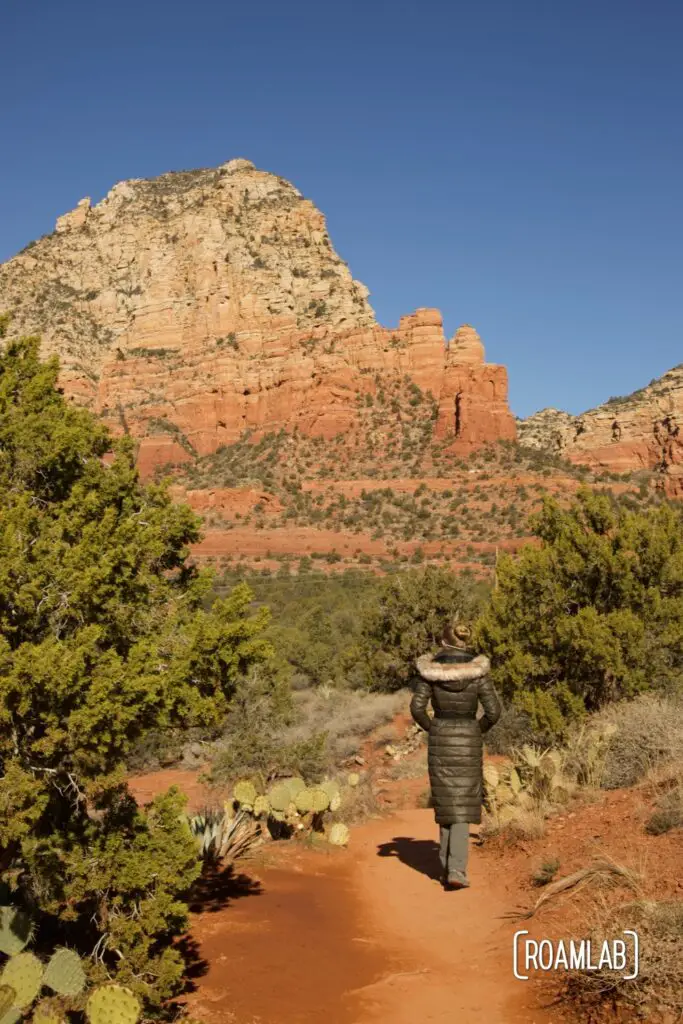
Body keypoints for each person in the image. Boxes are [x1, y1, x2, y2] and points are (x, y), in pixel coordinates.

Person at [410, 620, 501, 890]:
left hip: (441, 738)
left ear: (443, 641)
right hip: (469, 739)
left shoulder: (431, 672)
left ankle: (447, 867)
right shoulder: (478, 672)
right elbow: (494, 712)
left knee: (446, 800)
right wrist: (476, 729)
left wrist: (434, 728)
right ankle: (457, 870)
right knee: (462, 802)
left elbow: (417, 708)